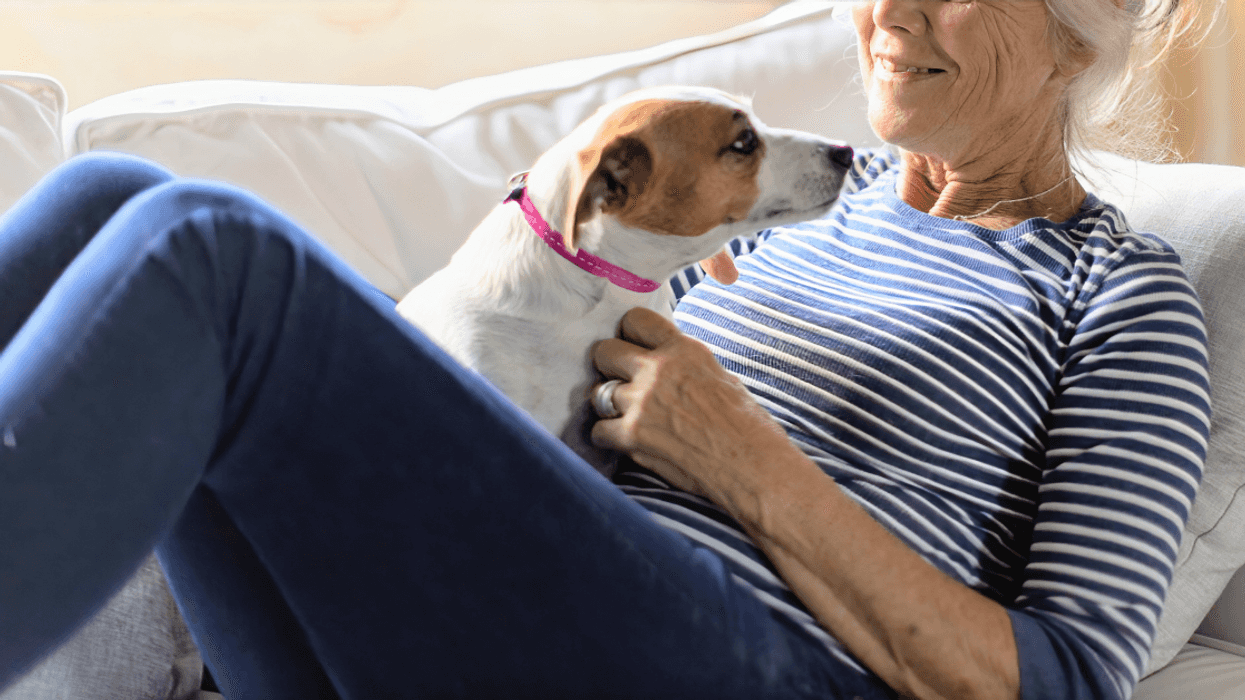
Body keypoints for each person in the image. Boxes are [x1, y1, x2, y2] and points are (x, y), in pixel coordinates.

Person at [0, 1, 1212, 698]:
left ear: (1075, 36)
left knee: (206, 246)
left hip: (760, 669)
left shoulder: (1119, 296)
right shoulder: (785, 204)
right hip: (520, 614)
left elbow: (1067, 678)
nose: (888, 12)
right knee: (105, 202)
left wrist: (745, 459)